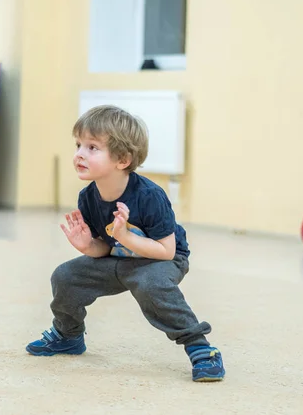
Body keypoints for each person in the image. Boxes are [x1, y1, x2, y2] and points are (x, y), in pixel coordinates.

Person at [26, 105, 225, 382]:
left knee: (150, 284)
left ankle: (201, 347)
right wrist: (87, 247)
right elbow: (105, 248)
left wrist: (125, 237)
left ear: (122, 159)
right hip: (120, 257)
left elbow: (166, 251)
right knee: (66, 276)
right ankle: (68, 336)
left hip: (161, 259)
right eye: (79, 145)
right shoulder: (88, 197)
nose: (80, 154)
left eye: (92, 147)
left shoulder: (150, 196)